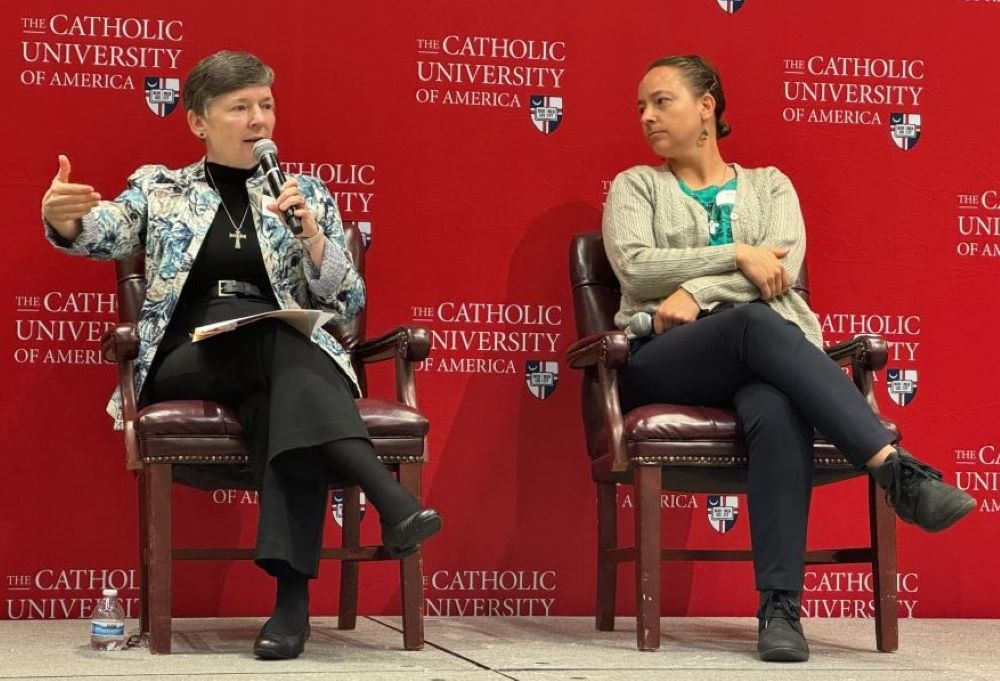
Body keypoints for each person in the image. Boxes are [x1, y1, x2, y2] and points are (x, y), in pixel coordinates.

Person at [40, 50, 441, 660]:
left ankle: (290, 608)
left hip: (278, 350)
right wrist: (63, 221)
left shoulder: (304, 191)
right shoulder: (161, 187)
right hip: (187, 355)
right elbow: (105, 232)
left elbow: (348, 296)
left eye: (267, 105)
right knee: (284, 348)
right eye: (241, 107)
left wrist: (311, 235)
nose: (260, 119)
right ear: (199, 121)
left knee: (282, 394)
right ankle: (385, 497)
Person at [602, 54, 974, 663]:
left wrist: (698, 288)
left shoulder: (771, 185)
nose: (646, 117)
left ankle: (780, 609)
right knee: (752, 320)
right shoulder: (636, 187)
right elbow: (637, 267)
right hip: (666, 357)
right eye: (639, 107)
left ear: (707, 107)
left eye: (661, 101)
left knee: (776, 406)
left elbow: (780, 268)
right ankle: (894, 470)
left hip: (761, 353)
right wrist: (737, 255)